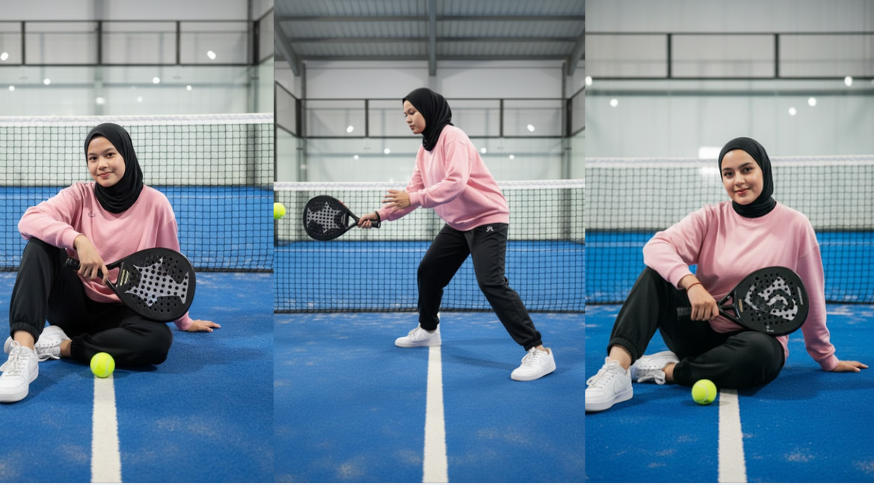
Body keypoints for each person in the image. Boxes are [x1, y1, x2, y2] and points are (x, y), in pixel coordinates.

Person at [585, 137, 867, 412]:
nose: (738, 181)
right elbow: (656, 246)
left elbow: (810, 298)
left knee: (759, 357)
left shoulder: (796, 225)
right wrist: (691, 282)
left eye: (747, 169)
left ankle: (667, 371)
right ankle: (617, 370)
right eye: (728, 174)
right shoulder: (711, 218)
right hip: (698, 328)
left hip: (757, 339)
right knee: (656, 274)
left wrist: (826, 358)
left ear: (764, 170)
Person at [0, 123, 219, 403]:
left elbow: (169, 269)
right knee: (39, 245)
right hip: (73, 306)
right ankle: (24, 352)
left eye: (109, 154)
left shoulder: (156, 204)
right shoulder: (80, 195)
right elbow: (28, 219)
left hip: (125, 312)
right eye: (93, 158)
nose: (101, 164)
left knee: (158, 341)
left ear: (126, 154)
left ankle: (58, 347)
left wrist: (183, 321)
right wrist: (77, 239)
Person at [357, 87, 555, 381]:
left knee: (491, 282)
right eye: (405, 115)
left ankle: (539, 351)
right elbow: (410, 193)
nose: (408, 119)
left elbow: (456, 183)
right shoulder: (424, 150)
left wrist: (413, 198)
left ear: (429, 109)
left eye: (412, 112)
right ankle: (428, 330)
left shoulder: (454, 137)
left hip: (487, 218)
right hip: (458, 224)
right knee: (428, 271)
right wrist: (380, 215)